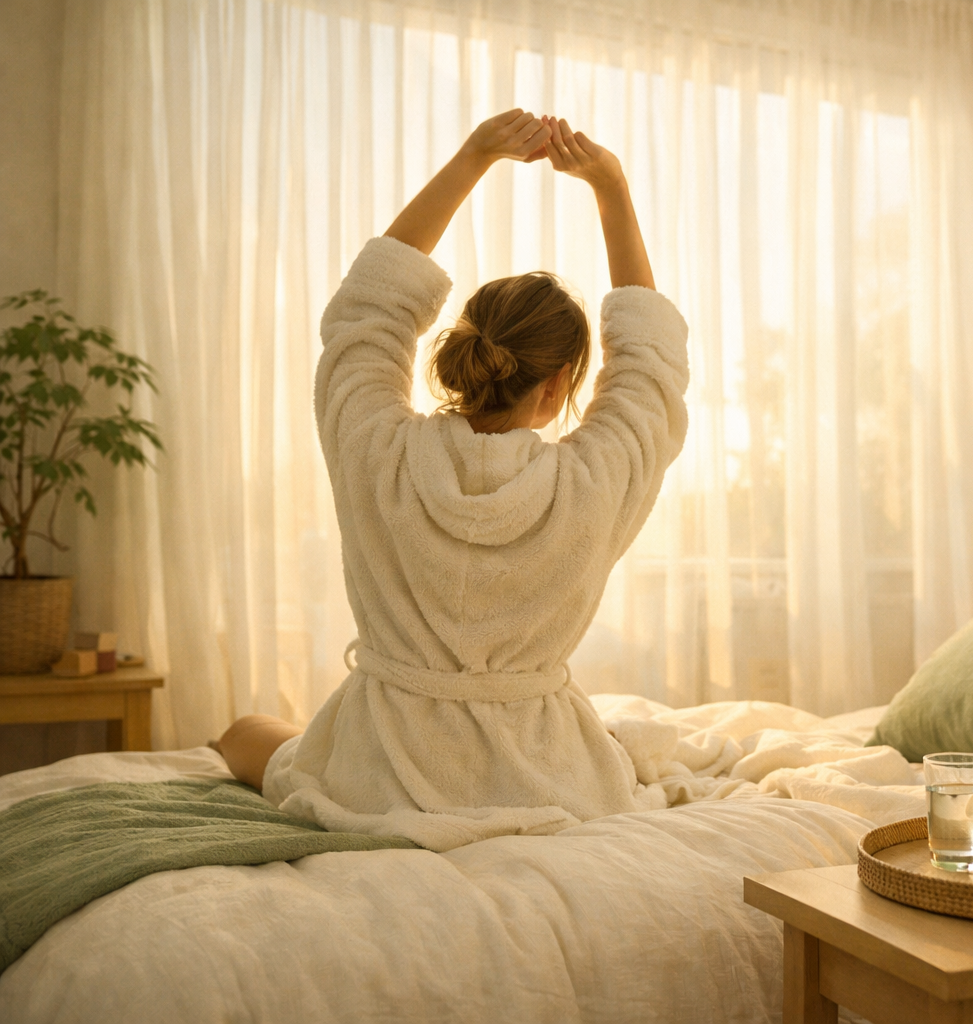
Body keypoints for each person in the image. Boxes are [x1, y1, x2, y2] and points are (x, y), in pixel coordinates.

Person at [216, 110, 689, 851]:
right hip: (546, 778)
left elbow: (367, 314)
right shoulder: (594, 482)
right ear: (559, 384)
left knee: (244, 732)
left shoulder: (375, 447)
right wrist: (611, 189)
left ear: (465, 354)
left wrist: (475, 156)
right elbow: (649, 367)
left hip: (379, 768)